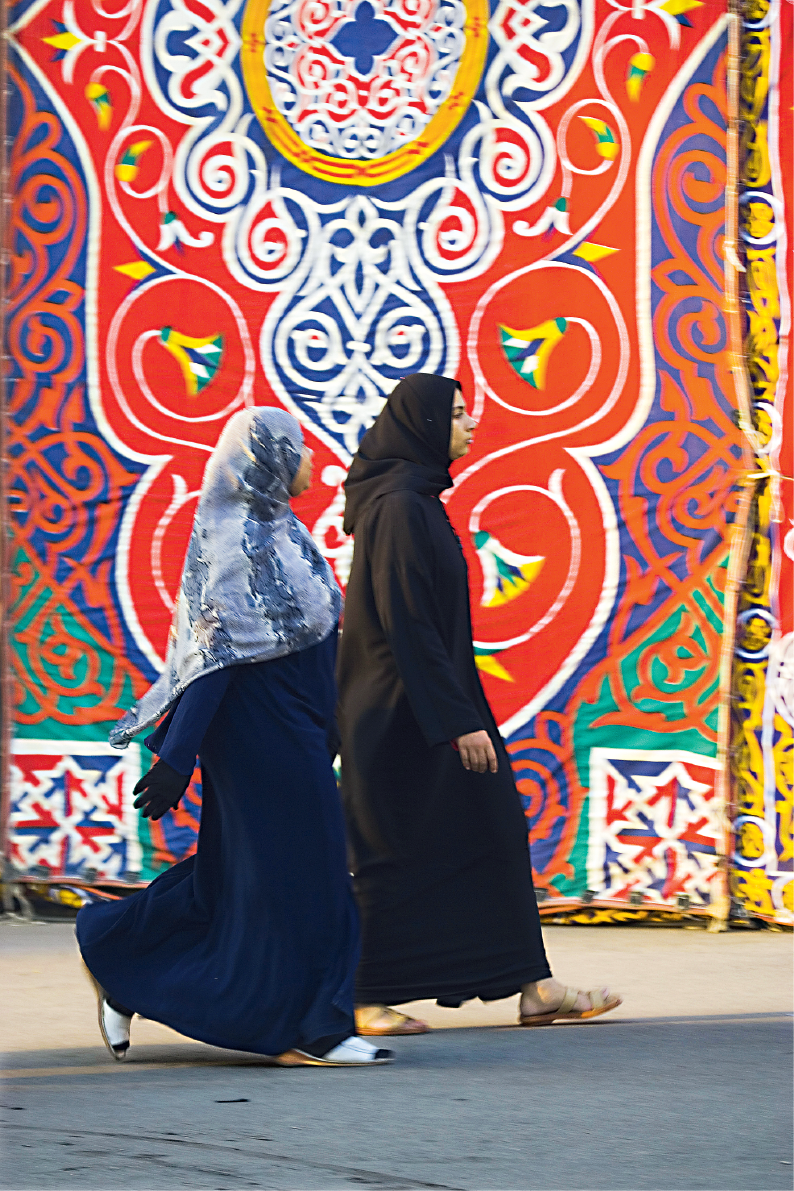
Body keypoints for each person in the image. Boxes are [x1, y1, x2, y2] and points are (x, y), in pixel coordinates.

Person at [76, 407, 393, 1067]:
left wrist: (331, 727)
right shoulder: (232, 544)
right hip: (256, 734)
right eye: (299, 450)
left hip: (298, 729)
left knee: (234, 875)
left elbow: (310, 645)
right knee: (314, 871)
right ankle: (320, 1024)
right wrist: (175, 759)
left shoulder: (286, 533)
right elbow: (211, 660)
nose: (311, 461)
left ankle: (115, 952)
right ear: (267, 460)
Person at [337, 373, 621, 1035]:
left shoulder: (414, 498)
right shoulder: (400, 505)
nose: (471, 424)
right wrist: (457, 720)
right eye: (460, 415)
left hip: (426, 703)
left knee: (490, 831)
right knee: (395, 849)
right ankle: (366, 995)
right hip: (401, 714)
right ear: (425, 425)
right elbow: (407, 623)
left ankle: (535, 984)